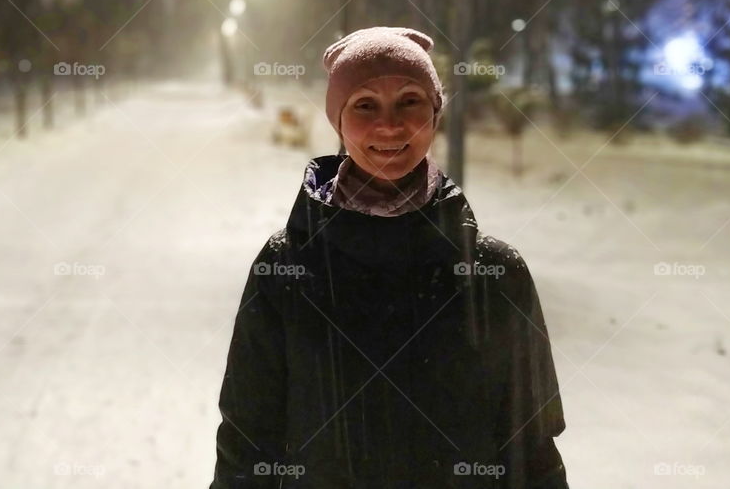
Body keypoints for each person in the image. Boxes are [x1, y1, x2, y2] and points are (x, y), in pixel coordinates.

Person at [209, 27, 569, 489]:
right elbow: (246, 444)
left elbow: (533, 453)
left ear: (435, 114)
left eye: (409, 101)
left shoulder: (495, 275)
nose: (390, 126)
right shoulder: (287, 269)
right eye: (365, 105)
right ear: (338, 121)